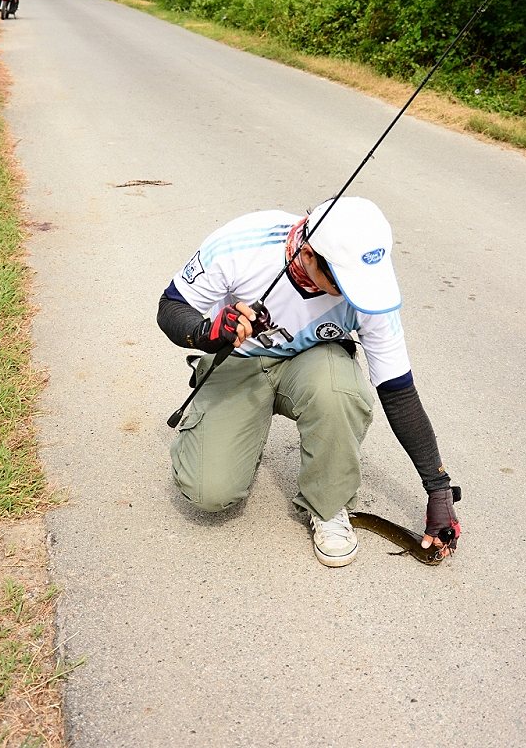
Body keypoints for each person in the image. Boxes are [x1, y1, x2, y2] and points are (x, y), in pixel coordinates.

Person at [157, 196, 460, 568]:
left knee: (338, 392)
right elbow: (170, 308)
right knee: (209, 494)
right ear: (309, 254)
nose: (353, 294)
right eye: (342, 281)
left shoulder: (370, 287)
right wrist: (207, 333)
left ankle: (328, 505)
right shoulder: (243, 244)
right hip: (238, 361)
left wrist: (438, 487)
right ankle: (235, 439)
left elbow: (398, 393)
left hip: (313, 363)